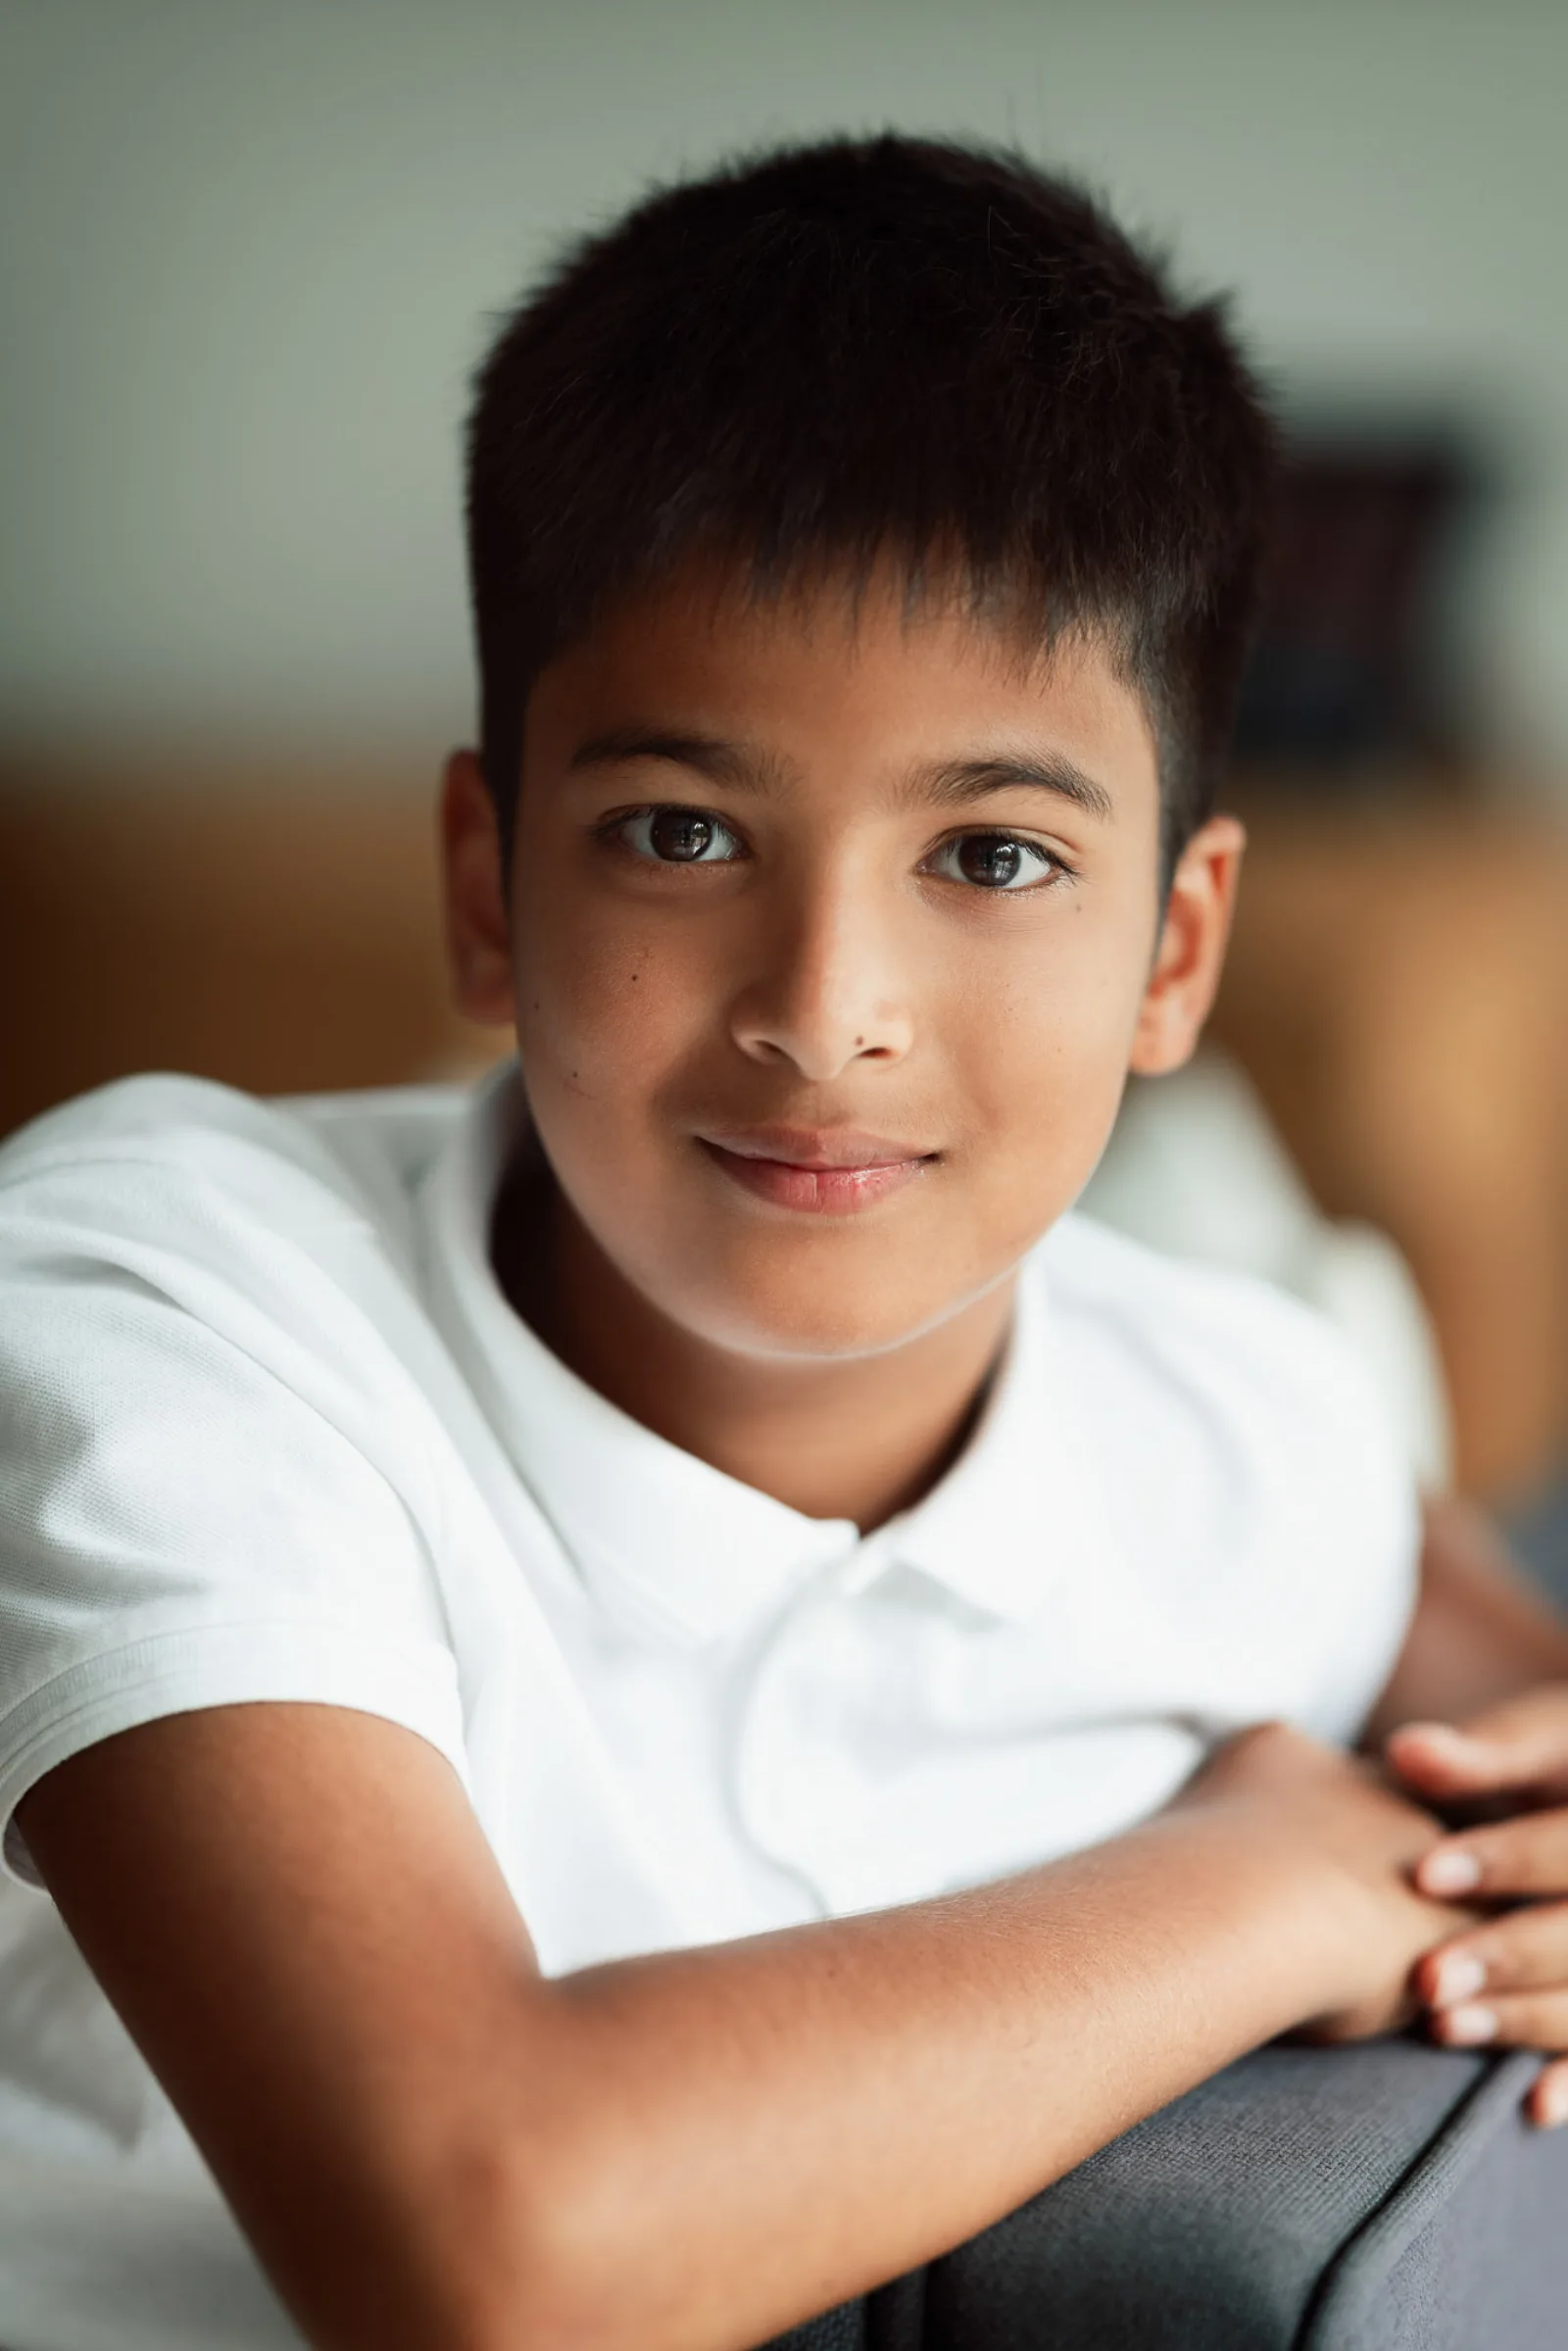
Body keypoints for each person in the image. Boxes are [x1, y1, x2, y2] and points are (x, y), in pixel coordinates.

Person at [4, 135, 1568, 2351]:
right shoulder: (167, 1302)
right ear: (484, 885)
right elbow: (484, 2242)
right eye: (678, 830)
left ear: (1172, 944)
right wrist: (1268, 1877)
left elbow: (1501, 1684)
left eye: (996, 857)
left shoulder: (1239, 1415)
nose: (824, 1003)